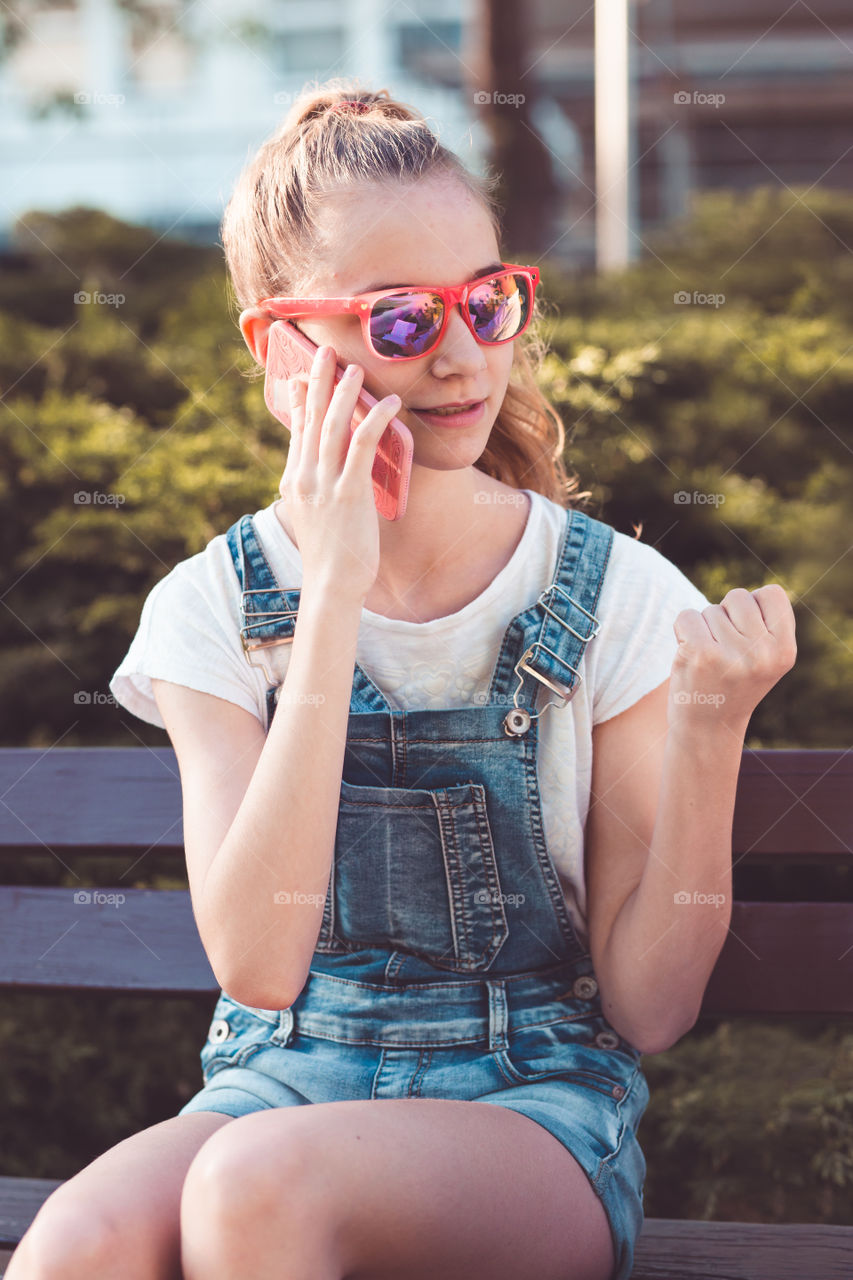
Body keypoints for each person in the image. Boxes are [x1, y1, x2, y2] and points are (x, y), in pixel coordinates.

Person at [8, 79, 796, 1280]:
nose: (463, 354)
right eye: (398, 322)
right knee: (74, 1246)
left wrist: (711, 731)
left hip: (534, 1104)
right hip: (281, 1074)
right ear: (282, 347)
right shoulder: (213, 608)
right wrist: (332, 591)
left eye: (486, 302)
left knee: (255, 1191)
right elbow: (261, 968)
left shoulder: (621, 598)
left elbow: (649, 1009)